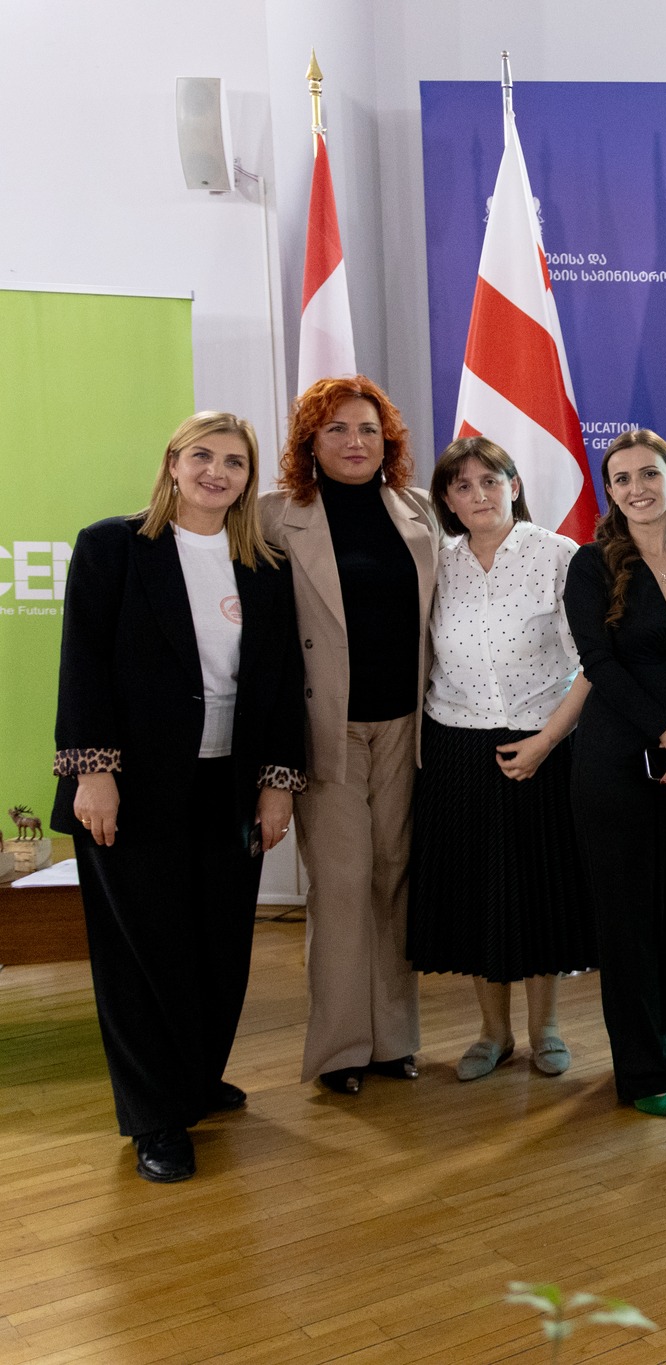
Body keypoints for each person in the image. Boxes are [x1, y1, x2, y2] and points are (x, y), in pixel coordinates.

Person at [53, 412, 305, 1181]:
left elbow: (280, 682)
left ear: (248, 478)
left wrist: (278, 783)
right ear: (172, 463)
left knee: (218, 945)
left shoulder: (265, 564)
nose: (216, 472)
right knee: (143, 952)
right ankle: (155, 1116)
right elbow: (83, 664)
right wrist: (93, 771)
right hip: (131, 786)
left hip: (229, 783)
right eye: (202, 456)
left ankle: (194, 1076)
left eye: (234, 462)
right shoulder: (112, 547)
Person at [259, 376, 438, 1095]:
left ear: (387, 441)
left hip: (406, 725)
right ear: (310, 443)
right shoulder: (274, 516)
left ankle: (394, 1039)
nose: (355, 442)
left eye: (368, 429)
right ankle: (340, 1049)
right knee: (339, 885)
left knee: (393, 876)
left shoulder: (418, 509)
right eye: (336, 429)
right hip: (323, 729)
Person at [407, 437, 593, 1082]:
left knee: (540, 891)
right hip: (457, 746)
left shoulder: (559, 555)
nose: (479, 495)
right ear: (447, 500)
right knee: (476, 894)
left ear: (514, 485)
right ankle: (493, 1033)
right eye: (462, 486)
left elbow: (591, 664)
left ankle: (546, 1030)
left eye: (491, 480)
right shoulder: (438, 562)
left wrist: (546, 742)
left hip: (543, 743)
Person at [564, 430, 666, 1118]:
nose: (637, 488)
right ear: (610, 491)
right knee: (627, 920)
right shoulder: (591, 565)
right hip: (616, 761)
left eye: (649, 473)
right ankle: (639, 1069)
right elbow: (599, 662)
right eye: (621, 478)